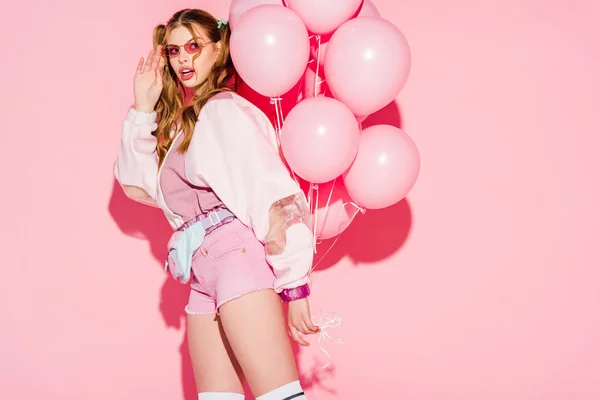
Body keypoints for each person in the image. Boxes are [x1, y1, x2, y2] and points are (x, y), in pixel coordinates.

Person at [114, 8, 320, 400]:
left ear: (218, 47)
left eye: (194, 46)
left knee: (280, 397)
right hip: (202, 271)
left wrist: (295, 286)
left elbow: (272, 194)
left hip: (237, 257)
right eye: (173, 51)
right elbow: (136, 185)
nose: (183, 59)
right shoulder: (181, 124)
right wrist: (142, 109)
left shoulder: (225, 110)